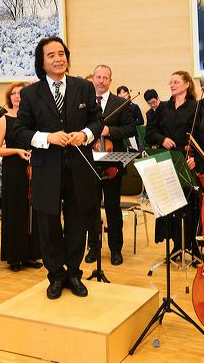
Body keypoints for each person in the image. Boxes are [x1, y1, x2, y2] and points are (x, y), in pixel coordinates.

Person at [13, 37, 103, 299]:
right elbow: (19, 130)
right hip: (46, 168)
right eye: (51, 55)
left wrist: (85, 134)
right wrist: (46, 138)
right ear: (42, 62)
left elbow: (97, 121)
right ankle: (55, 275)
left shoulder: (84, 87)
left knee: (77, 222)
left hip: (79, 168)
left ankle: (74, 273)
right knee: (48, 224)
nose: (58, 58)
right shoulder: (30, 93)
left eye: (61, 53)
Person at [85, 65, 137, 266]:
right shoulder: (85, 103)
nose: (101, 81)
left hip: (112, 162)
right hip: (90, 162)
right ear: (94, 78)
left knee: (113, 208)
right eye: (98, 77)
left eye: (105, 78)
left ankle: (116, 249)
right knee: (91, 208)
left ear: (110, 81)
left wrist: (109, 131)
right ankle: (93, 248)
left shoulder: (120, 103)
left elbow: (130, 129)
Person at [145, 71, 201, 256]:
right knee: (172, 204)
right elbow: (150, 132)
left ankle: (192, 245)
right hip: (167, 161)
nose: (172, 85)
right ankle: (177, 244)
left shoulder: (196, 107)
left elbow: (202, 136)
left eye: (176, 82)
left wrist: (196, 158)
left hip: (186, 160)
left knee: (189, 204)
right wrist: (162, 139)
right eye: (170, 82)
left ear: (187, 84)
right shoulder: (163, 108)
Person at [0, 81, 42, 272]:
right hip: (13, 169)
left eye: (21, 93)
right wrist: (16, 151)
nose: (17, 96)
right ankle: (15, 256)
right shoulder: (5, 119)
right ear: (9, 97)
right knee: (15, 211)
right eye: (14, 93)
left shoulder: (33, 118)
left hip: (33, 167)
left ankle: (30, 254)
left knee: (31, 211)